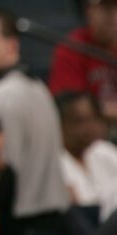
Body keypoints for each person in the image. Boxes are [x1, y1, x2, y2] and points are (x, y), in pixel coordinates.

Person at [0, 9, 69, 232]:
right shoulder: (36, 85)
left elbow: (0, 174)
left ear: (11, 46)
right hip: (55, 219)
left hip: (24, 223)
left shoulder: (5, 96)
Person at [49, 0, 117, 124]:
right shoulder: (73, 47)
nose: (112, 15)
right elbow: (69, 107)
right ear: (89, 11)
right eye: (105, 7)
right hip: (91, 132)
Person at [57, 91, 117, 226]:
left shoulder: (104, 151)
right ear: (60, 123)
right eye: (79, 121)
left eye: (93, 119)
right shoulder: (55, 162)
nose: (89, 127)